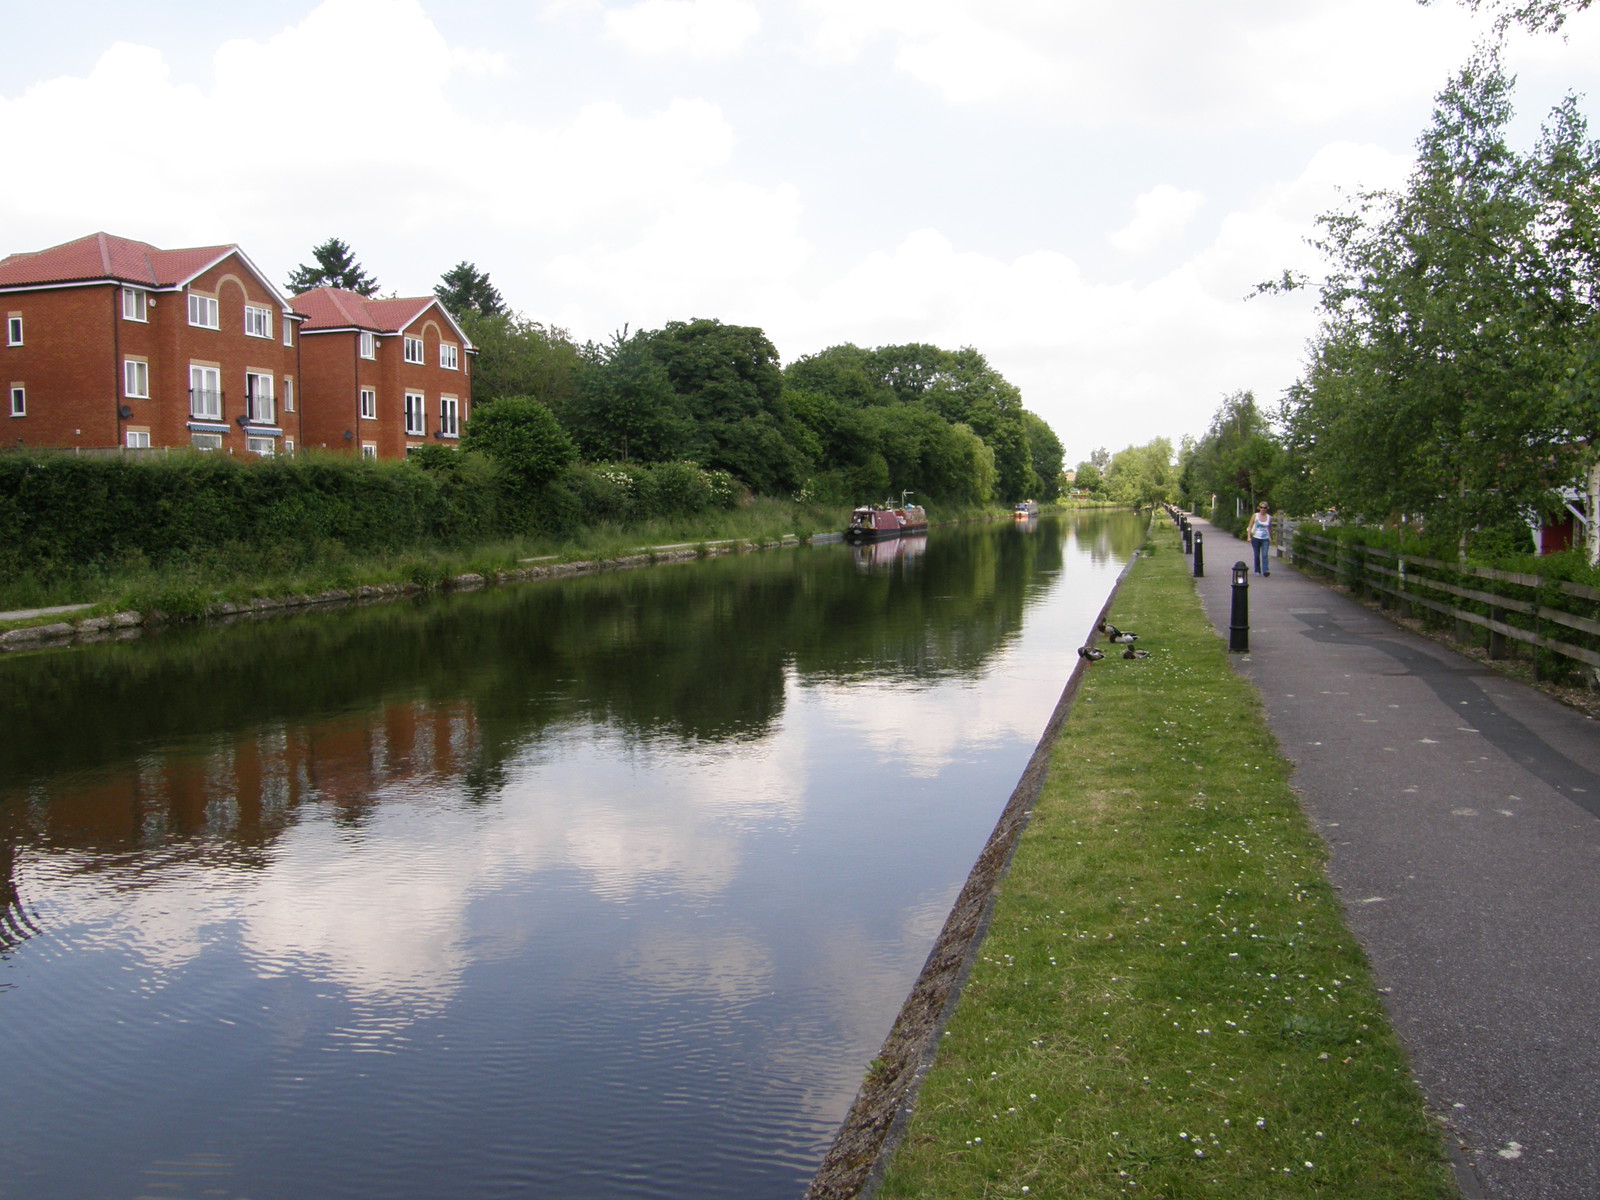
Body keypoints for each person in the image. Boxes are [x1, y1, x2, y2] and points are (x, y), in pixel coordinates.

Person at [1249, 502, 1272, 576]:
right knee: (1256, 555)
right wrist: (1249, 536)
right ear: (1259, 508)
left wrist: (1271, 537)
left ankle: (1265, 570)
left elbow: (1269, 528)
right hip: (1256, 537)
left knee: (1265, 554)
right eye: (1261, 507)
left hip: (1265, 538)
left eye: (1265, 508)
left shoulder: (1269, 517)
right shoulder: (1255, 515)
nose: (1263, 509)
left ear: (1267, 508)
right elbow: (1250, 526)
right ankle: (1257, 570)